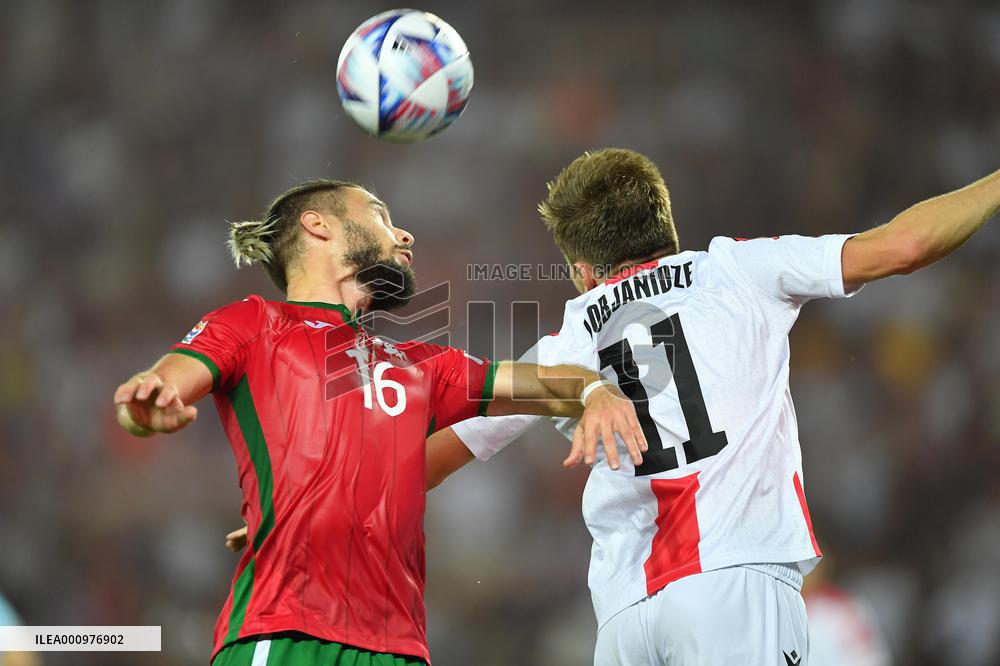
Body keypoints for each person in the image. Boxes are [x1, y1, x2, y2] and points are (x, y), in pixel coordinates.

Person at [424, 150, 999, 665]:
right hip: (734, 584)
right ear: (668, 228)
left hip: (624, 619)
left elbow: (434, 457)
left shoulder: (561, 348)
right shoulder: (736, 269)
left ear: (581, 271)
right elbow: (907, 246)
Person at [112, 179, 645, 666]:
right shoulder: (255, 323)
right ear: (318, 224)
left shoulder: (423, 365)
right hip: (286, 636)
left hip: (399, 650)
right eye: (380, 214)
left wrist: (594, 390)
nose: (403, 233)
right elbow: (171, 378)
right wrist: (150, 399)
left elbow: (547, 383)